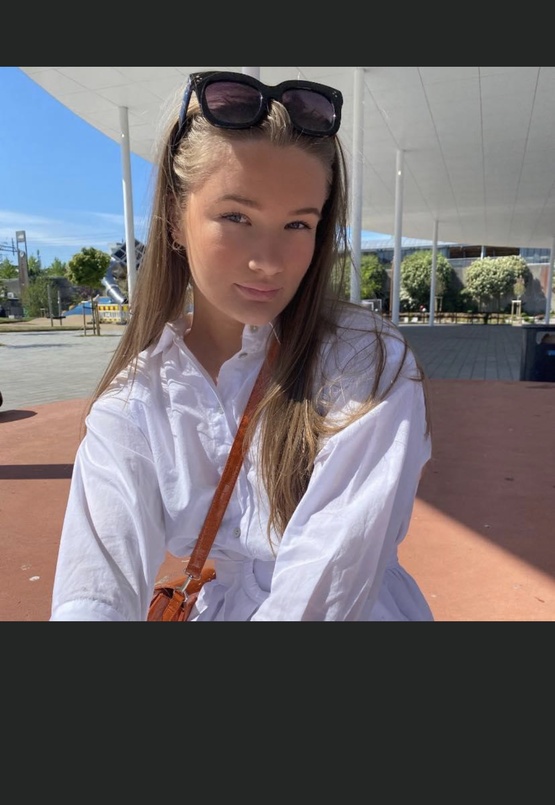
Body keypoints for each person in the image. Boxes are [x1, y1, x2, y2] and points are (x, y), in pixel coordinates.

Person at [50, 70, 433, 622]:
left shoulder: (362, 358)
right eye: (236, 217)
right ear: (176, 219)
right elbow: (92, 591)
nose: (269, 262)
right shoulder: (135, 400)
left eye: (298, 225)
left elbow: (329, 587)